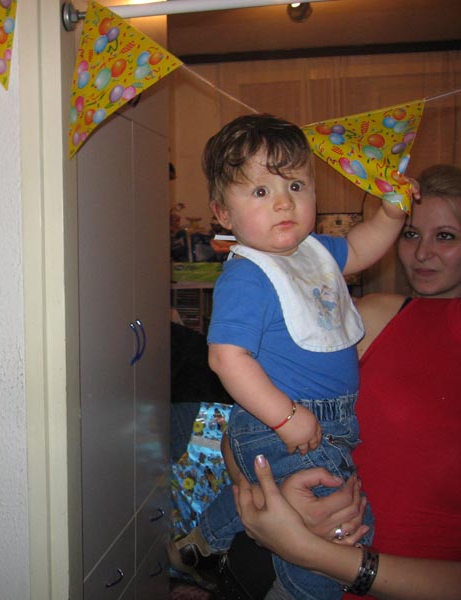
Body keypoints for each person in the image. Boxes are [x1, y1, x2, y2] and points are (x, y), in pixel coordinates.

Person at [168, 113, 407, 599]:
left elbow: (360, 248)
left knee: (276, 498)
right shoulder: (248, 275)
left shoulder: (312, 252)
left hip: (323, 417)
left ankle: (204, 544)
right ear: (223, 213)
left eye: (296, 185)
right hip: (280, 416)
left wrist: (391, 215)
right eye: (260, 191)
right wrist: (286, 416)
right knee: (341, 524)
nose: (283, 202)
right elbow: (227, 359)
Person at [228, 163, 461, 599]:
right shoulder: (367, 318)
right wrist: (274, 502)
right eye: (411, 233)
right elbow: (242, 431)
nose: (422, 253)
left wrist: (317, 553)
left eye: (445, 236)